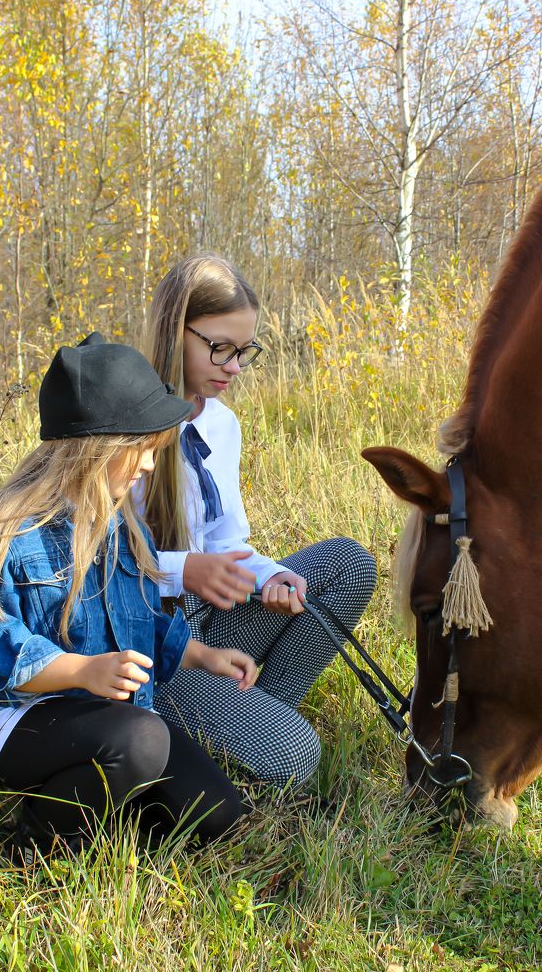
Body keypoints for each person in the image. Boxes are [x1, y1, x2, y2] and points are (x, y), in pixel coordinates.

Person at [0, 332, 258, 861]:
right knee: (142, 742)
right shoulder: (11, 534)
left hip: (102, 716)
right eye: (143, 451)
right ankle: (35, 843)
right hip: (19, 716)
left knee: (217, 813)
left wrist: (204, 656)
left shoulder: (123, 526)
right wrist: (82, 671)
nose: (150, 467)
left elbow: (144, 617)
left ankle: (103, 820)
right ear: (97, 448)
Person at [141, 253, 377, 788]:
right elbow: (95, 564)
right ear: (175, 329)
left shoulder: (223, 425)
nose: (234, 368)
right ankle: (253, 735)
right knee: (297, 757)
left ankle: (255, 717)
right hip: (157, 640)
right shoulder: (126, 426)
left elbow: (229, 542)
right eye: (219, 348)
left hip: (216, 616)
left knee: (349, 566)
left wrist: (269, 575)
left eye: (244, 351)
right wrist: (185, 571)